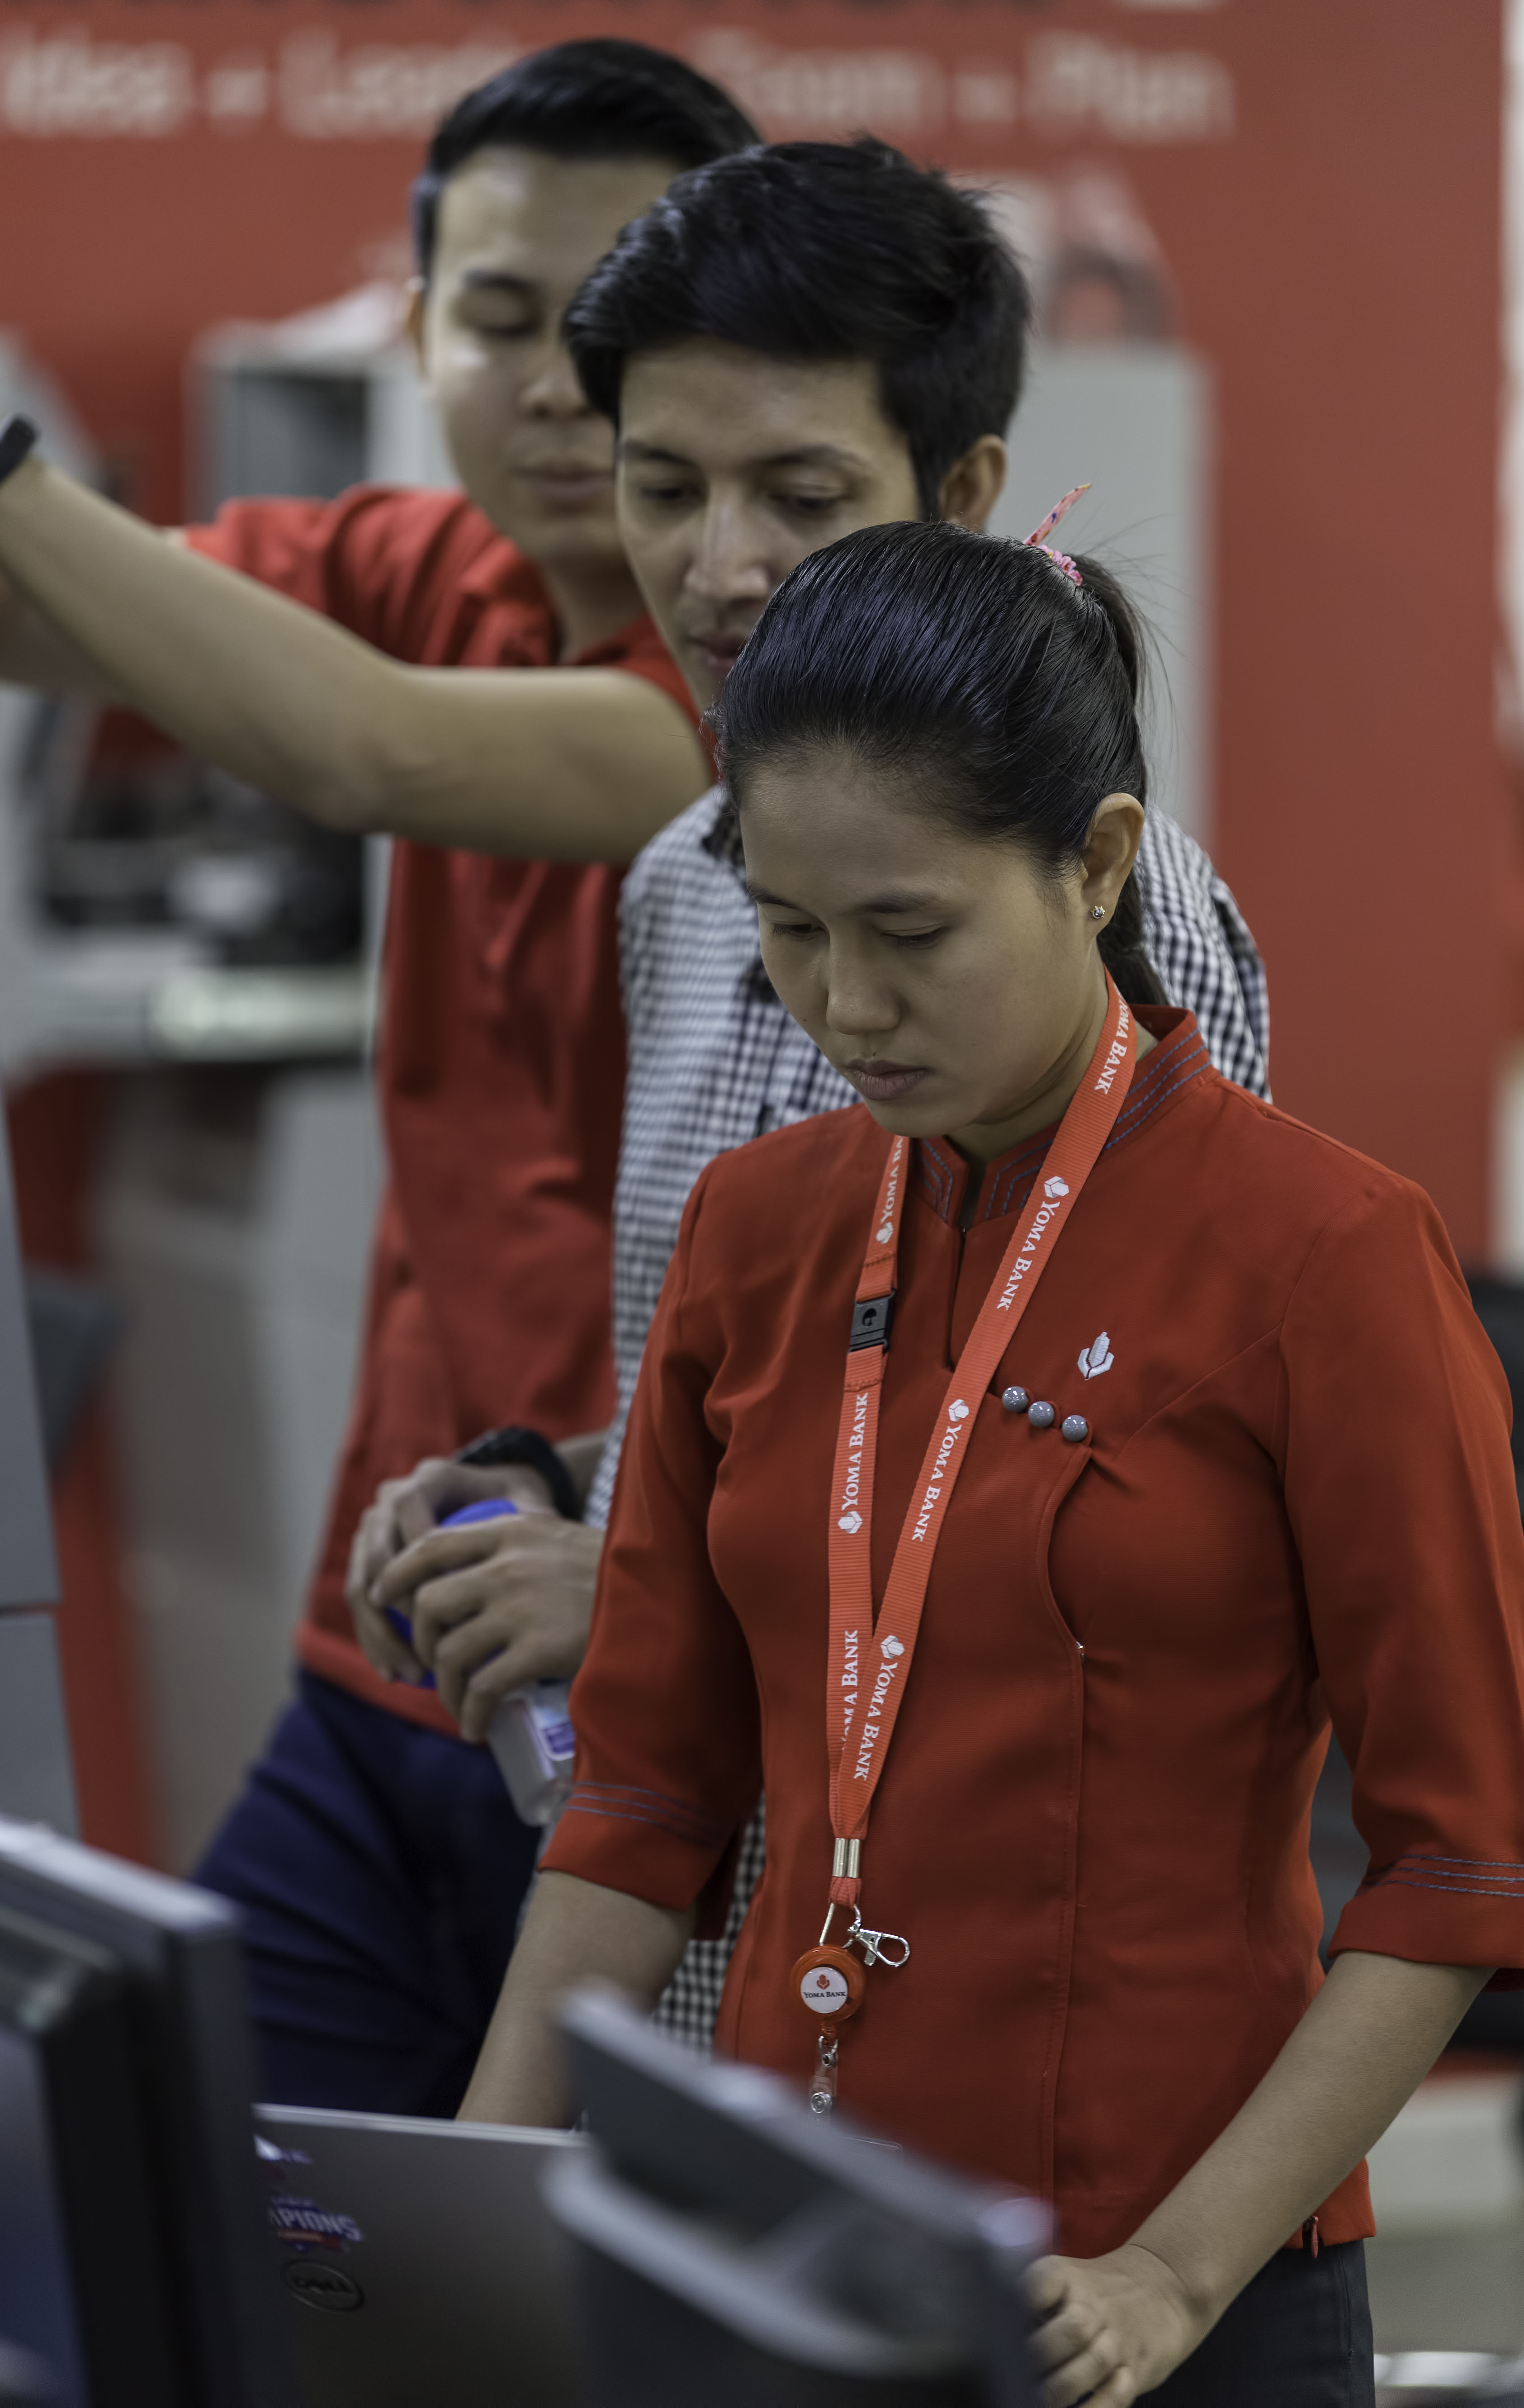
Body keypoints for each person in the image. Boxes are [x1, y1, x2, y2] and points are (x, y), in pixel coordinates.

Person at [459, 517, 1524, 2406]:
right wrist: (460, 2224)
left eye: (910, 933)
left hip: (1151, 2295)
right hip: (780, 2248)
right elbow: (640, 1802)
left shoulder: (1326, 1258)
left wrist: (1169, 2276)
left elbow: (1463, 1863)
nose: (846, 1006)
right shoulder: (755, 1232)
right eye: (792, 931)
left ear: (1097, 862)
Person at [0, 40, 759, 2113]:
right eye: (501, 319)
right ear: (415, 330)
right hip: (386, 1639)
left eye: (613, 326)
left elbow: (368, 746)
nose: (557, 387)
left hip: (641, 1654)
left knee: (566, 2257)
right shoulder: (420, 571)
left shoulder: (754, 679)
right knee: (192, 2198)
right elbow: (0, 599)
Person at [350, 143, 1268, 2047]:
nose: (720, 567)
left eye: (801, 494)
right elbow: (763, 1401)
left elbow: (1102, 1516)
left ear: (964, 493)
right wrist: (553, 1492)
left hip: (977, 2008)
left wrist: (641, 1603)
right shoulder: (680, 886)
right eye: (663, 487)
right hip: (705, 1959)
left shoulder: (1125, 927)